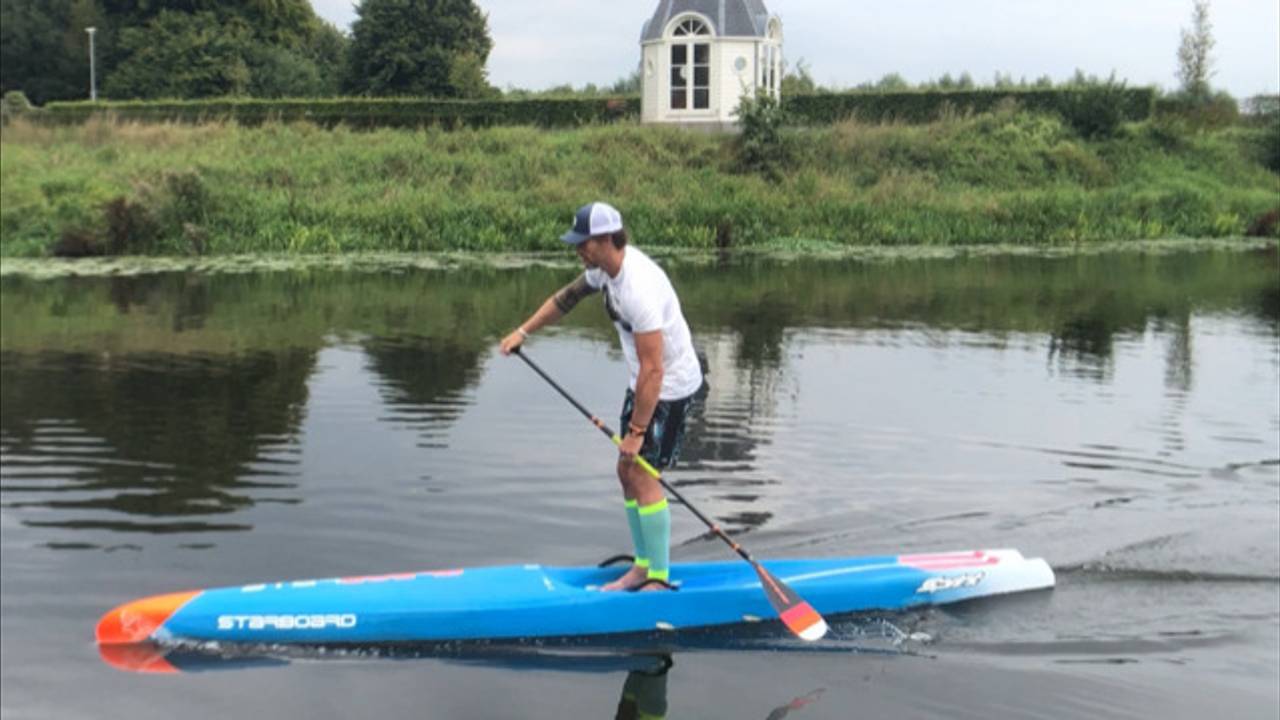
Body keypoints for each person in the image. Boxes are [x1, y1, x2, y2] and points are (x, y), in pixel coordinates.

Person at [500, 202, 704, 592]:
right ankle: (643, 567)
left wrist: (638, 431)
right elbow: (566, 299)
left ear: (608, 239)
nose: (578, 249)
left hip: (670, 385)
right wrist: (523, 332)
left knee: (642, 472)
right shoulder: (603, 272)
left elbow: (655, 369)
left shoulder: (639, 288)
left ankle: (659, 578)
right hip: (642, 382)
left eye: (584, 242)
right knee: (625, 469)